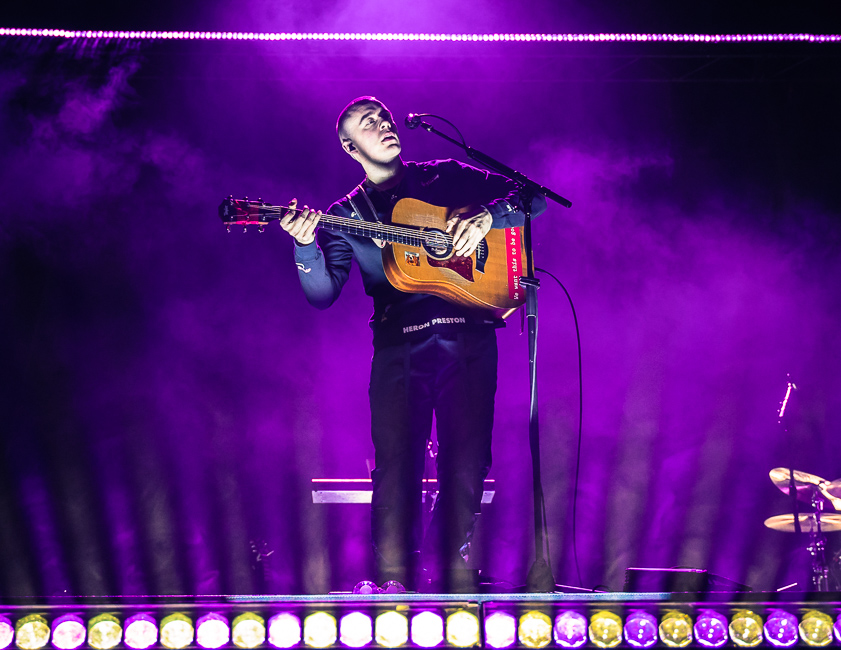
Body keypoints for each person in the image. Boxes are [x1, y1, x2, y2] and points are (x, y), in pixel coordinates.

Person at [280, 96, 546, 592]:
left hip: (469, 336)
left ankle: (441, 574)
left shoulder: (446, 174)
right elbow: (322, 295)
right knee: (397, 467)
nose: (382, 125)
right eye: (367, 123)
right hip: (399, 348)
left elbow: (533, 198)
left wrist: (490, 217)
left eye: (383, 116)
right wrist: (303, 245)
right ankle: (394, 580)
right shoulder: (344, 215)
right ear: (348, 145)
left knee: (467, 465)